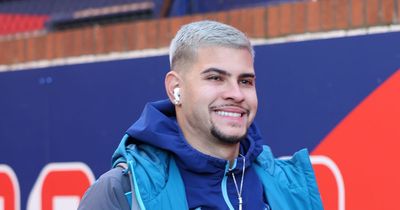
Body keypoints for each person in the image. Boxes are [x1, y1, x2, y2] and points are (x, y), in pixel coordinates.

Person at [78, 20, 323, 210]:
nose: (236, 94)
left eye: (245, 81)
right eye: (216, 78)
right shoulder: (121, 191)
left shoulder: (291, 187)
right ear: (176, 88)